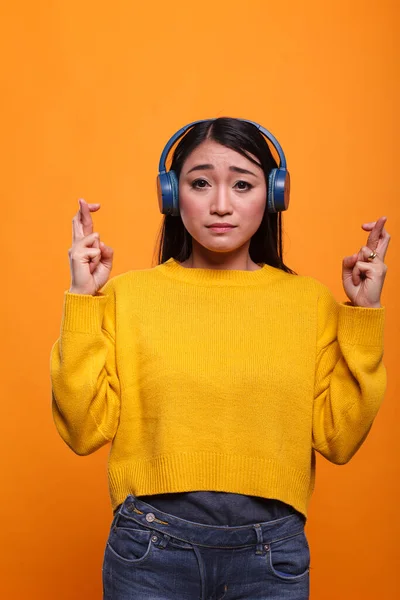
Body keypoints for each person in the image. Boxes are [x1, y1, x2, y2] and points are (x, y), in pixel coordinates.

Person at [50, 117, 389, 600]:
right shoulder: (128, 296)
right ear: (171, 195)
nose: (221, 204)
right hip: (149, 549)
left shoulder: (310, 303)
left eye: (244, 184)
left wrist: (364, 313)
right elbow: (82, 431)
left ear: (273, 195)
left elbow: (338, 439)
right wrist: (83, 299)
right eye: (200, 182)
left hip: (271, 557)